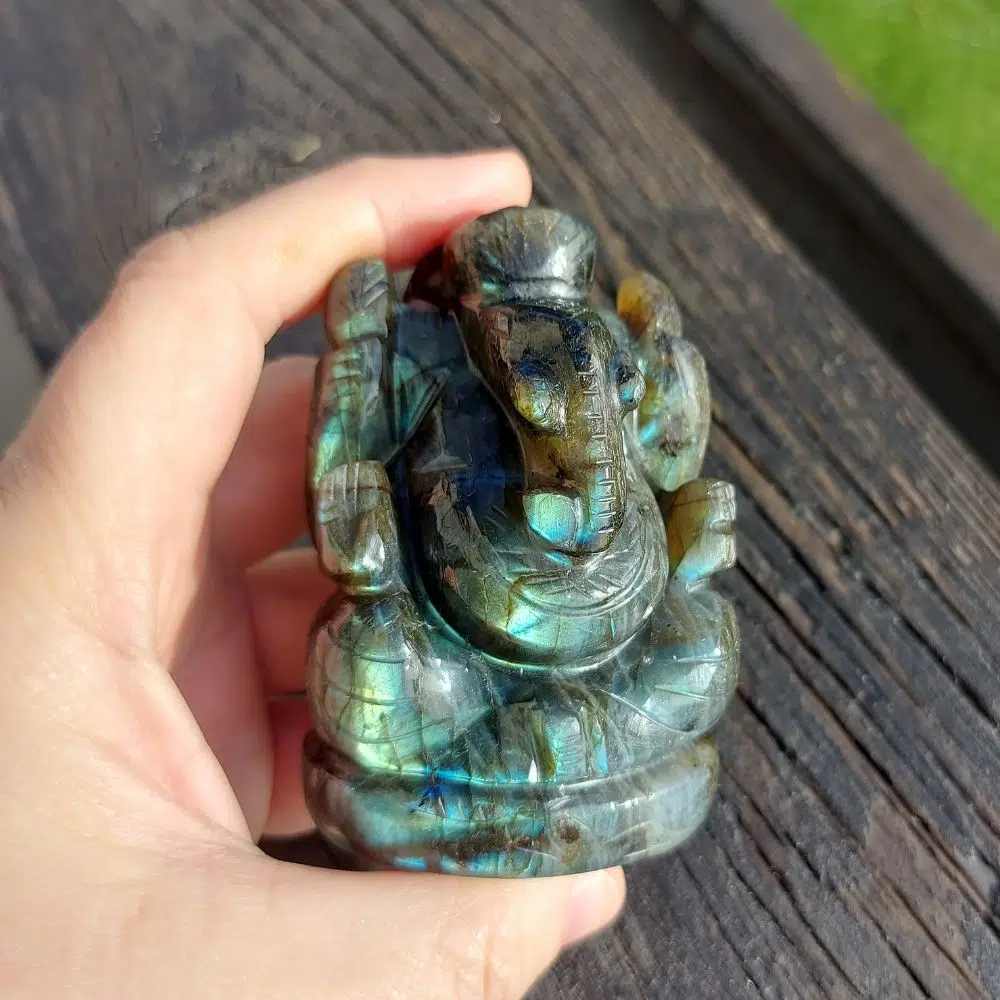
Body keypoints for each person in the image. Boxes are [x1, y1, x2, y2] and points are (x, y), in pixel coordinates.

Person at [0, 152, 626, 999]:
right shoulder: (419, 361)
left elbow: (660, 463)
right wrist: (366, 544)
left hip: (601, 649)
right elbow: (348, 479)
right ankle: (517, 755)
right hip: (450, 662)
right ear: (471, 321)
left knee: (704, 651)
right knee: (365, 665)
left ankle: (531, 750)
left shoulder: (610, 368)